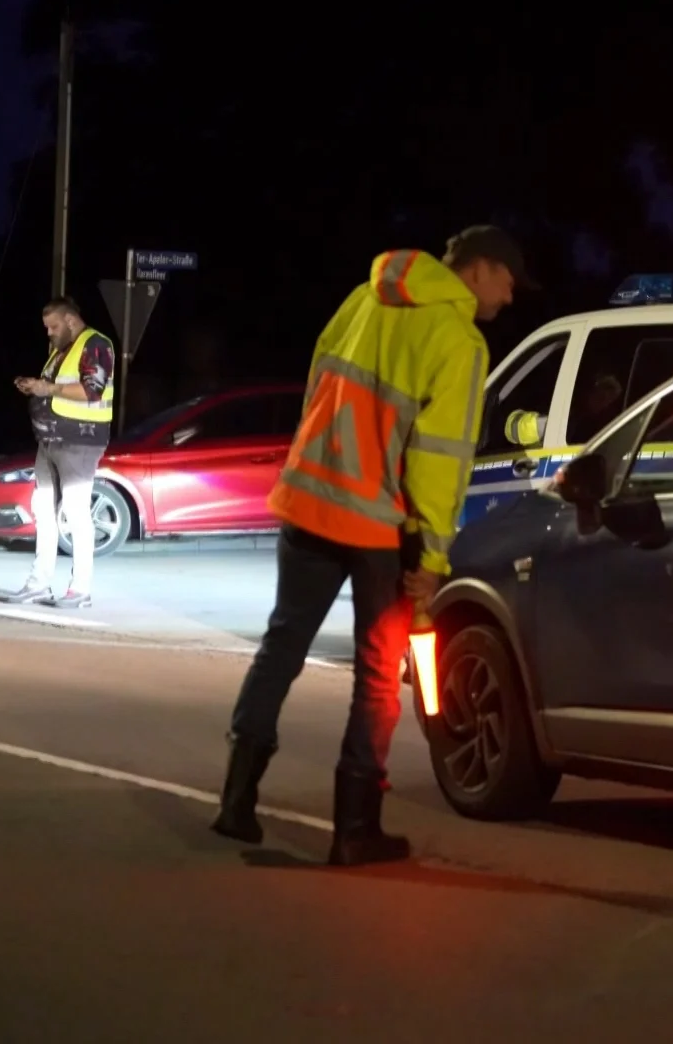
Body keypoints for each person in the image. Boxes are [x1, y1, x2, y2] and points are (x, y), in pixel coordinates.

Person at [211, 225, 531, 865]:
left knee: (282, 645)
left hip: (308, 499)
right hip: (378, 525)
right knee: (379, 673)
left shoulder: (365, 297)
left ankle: (236, 801)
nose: (510, 296)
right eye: (508, 281)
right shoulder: (459, 339)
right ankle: (355, 829)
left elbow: (317, 385)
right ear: (479, 269)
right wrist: (431, 558)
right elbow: (441, 459)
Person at [5, 296, 116, 609]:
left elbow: (92, 390)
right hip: (50, 441)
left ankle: (80, 589)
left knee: (76, 512)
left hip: (80, 441)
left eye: (53, 326)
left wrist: (48, 389)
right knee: (44, 511)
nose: (49, 332)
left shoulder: (95, 343)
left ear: (70, 320)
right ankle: (38, 584)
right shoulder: (61, 350)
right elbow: (53, 387)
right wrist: (35, 386)